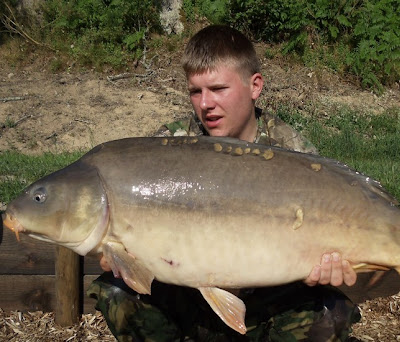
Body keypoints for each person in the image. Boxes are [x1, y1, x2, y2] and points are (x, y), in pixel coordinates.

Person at [88, 25, 360, 341]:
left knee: (330, 310)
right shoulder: (168, 148)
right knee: (116, 293)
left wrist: (325, 268)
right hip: (188, 298)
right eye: (195, 91)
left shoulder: (293, 152)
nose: (205, 104)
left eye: (218, 89)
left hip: (267, 301)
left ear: (254, 85)